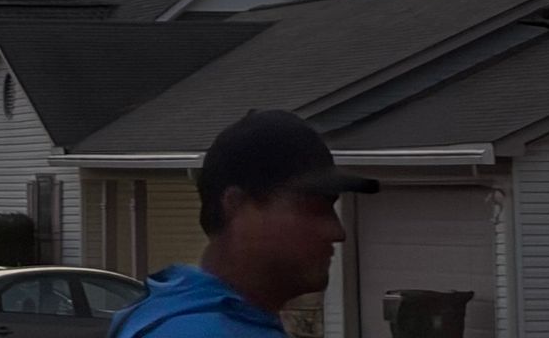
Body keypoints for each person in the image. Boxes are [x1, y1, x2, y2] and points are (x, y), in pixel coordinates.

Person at [109, 113, 379, 338]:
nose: (337, 232)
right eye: (313, 209)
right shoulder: (204, 332)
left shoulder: (164, 311)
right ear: (236, 205)